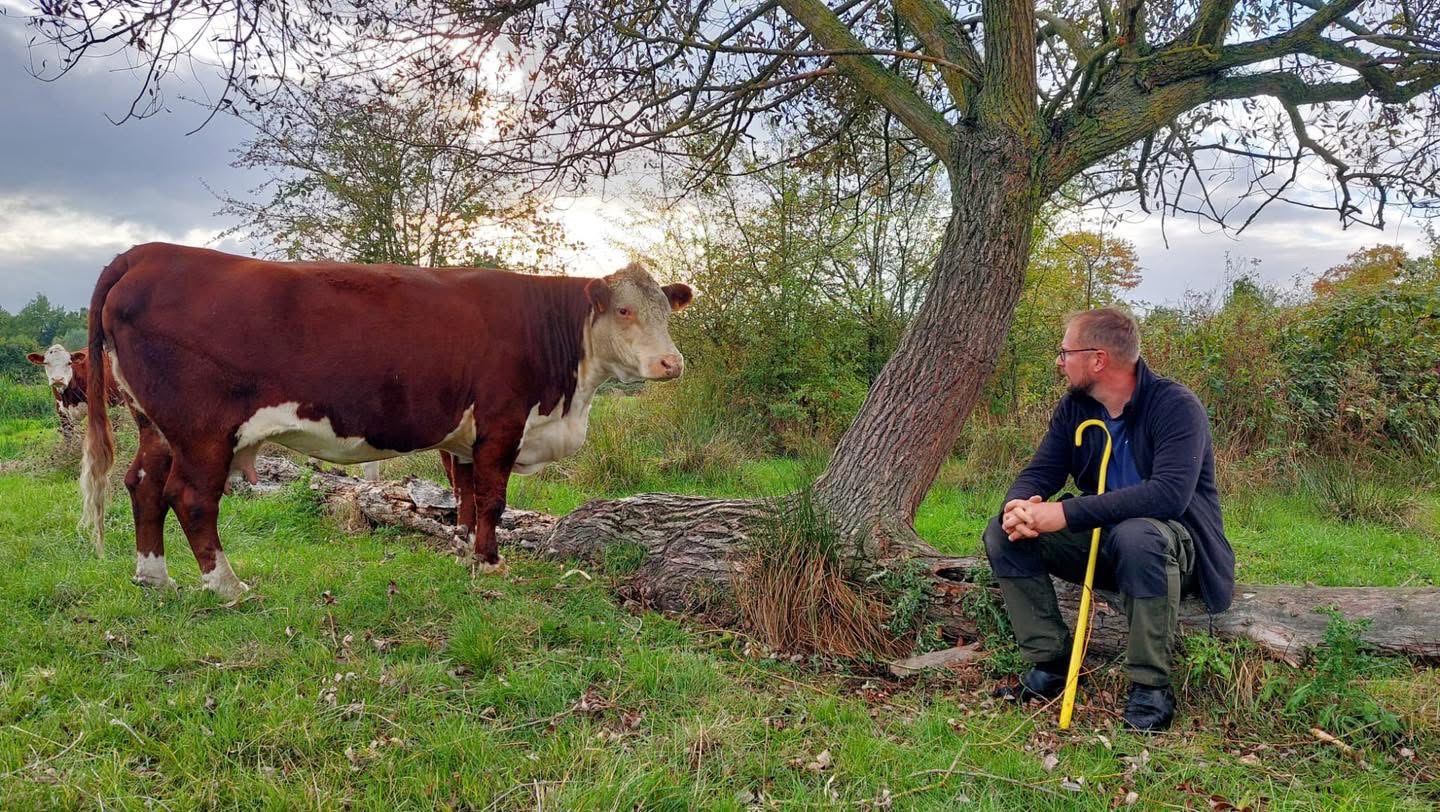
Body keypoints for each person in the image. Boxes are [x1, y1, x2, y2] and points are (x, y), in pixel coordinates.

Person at [983, 307, 1234, 732]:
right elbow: (1042, 470)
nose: (1059, 361)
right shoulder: (1076, 407)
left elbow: (1168, 496)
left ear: (1098, 359)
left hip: (1173, 549)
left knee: (1138, 535)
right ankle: (1051, 663)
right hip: (1106, 542)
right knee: (1002, 533)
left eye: (1066, 352)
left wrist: (1063, 513)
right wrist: (1018, 508)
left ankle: (1150, 686)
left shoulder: (1175, 406)